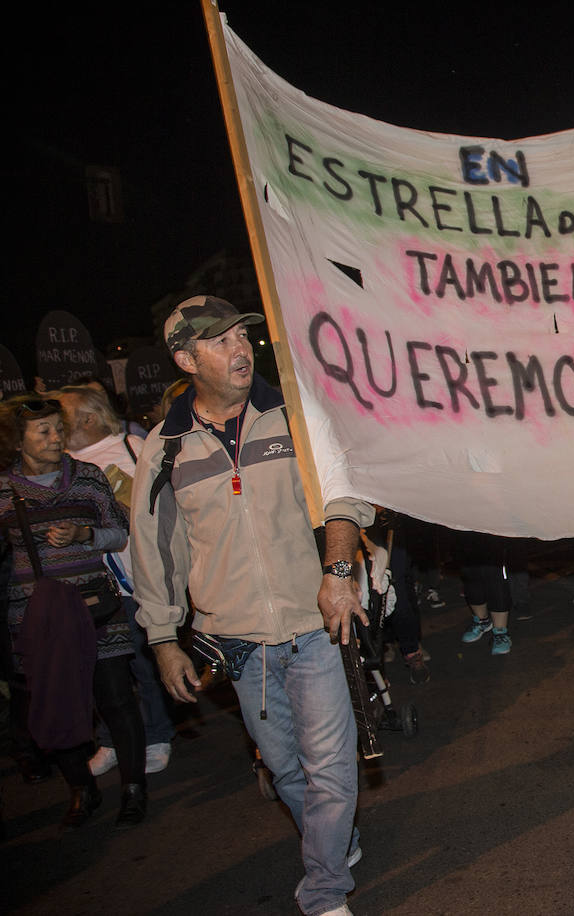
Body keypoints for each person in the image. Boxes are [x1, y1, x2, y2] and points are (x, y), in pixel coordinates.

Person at [130, 295, 373, 916]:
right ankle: (333, 839)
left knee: (331, 767)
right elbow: (155, 552)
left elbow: (348, 495)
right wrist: (161, 638)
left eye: (243, 337)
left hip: (313, 624)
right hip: (237, 641)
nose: (241, 350)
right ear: (186, 358)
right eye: (220, 342)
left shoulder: (293, 416)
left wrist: (340, 572)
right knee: (288, 770)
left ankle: (323, 890)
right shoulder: (165, 449)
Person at [0, 396, 148, 829]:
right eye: (42, 431)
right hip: (35, 614)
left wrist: (85, 533)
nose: (54, 437)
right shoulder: (5, 490)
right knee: (56, 702)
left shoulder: (87, 477)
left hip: (95, 605)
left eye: (57, 428)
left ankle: (133, 788)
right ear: (17, 439)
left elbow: (119, 532)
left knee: (117, 699)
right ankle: (80, 788)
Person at [58, 384, 177, 774]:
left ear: (88, 419)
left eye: (62, 414)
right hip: (90, 583)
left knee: (145, 661)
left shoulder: (130, 447)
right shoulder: (60, 464)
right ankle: (111, 740)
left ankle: (158, 735)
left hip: (136, 578)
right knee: (99, 669)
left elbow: (161, 506)